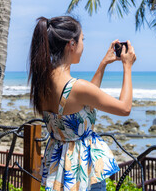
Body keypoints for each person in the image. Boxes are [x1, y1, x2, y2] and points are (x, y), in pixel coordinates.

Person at [28, 16, 136, 191]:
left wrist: (103, 65)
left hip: (59, 169)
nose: (83, 45)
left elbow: (83, 102)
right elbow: (125, 108)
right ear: (71, 44)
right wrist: (127, 66)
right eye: (82, 40)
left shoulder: (42, 82)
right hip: (82, 170)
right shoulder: (77, 87)